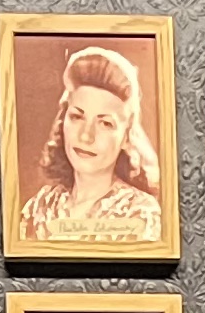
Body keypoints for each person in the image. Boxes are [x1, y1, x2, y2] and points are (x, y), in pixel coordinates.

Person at [19, 41, 161, 247]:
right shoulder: (40, 207)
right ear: (63, 120)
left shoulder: (140, 213)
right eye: (77, 117)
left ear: (126, 136)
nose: (86, 136)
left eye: (105, 123)